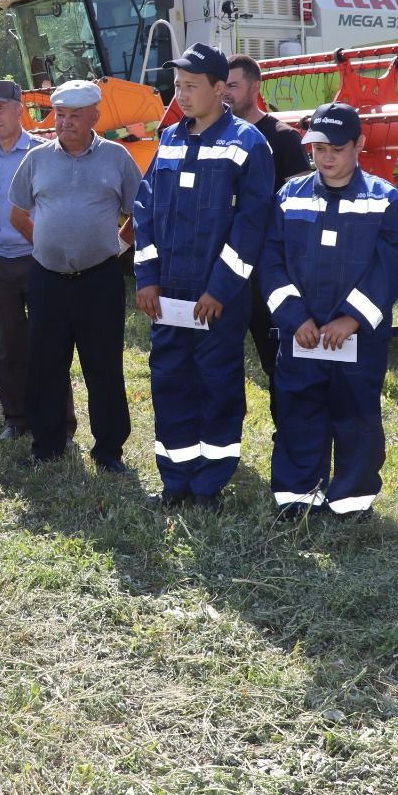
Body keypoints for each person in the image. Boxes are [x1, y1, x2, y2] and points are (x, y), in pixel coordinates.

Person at [133, 44, 274, 511]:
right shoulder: (171, 138)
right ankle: (175, 480)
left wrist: (219, 289)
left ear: (220, 89)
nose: (182, 95)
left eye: (191, 86)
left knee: (217, 385)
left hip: (218, 298)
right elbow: (146, 210)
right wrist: (147, 277)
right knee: (170, 382)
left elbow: (251, 225)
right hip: (169, 295)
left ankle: (210, 483)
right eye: (178, 86)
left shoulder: (247, 143)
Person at [260, 103, 398, 519]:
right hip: (302, 337)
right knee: (298, 411)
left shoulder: (386, 202)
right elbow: (270, 261)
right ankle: (298, 496)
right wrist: (295, 318)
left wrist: (351, 319)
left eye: (336, 148)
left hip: (358, 342)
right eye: (318, 148)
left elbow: (391, 270)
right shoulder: (289, 196)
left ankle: (351, 500)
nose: (326, 157)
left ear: (359, 145)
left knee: (356, 416)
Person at [9, 80, 140, 470]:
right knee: (46, 363)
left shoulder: (116, 158)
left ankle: (109, 451)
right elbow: (18, 213)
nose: (65, 123)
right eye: (60, 115)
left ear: (95, 117)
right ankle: (47, 446)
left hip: (99, 279)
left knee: (103, 366)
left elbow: (140, 211)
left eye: (75, 116)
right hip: (47, 279)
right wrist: (46, 244)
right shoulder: (37, 159)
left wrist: (118, 246)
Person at [0, 78, 71, 441]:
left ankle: (59, 422)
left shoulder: (44, 154)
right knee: (7, 344)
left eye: (0, 108)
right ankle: (16, 419)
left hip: (38, 261)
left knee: (50, 341)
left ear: (20, 110)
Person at [225, 54, 310, 391]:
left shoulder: (283, 137)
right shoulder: (221, 136)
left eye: (233, 85)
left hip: (268, 271)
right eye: (222, 86)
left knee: (278, 360)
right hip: (227, 270)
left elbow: (303, 211)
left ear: (254, 87)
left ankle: (287, 435)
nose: (226, 93)